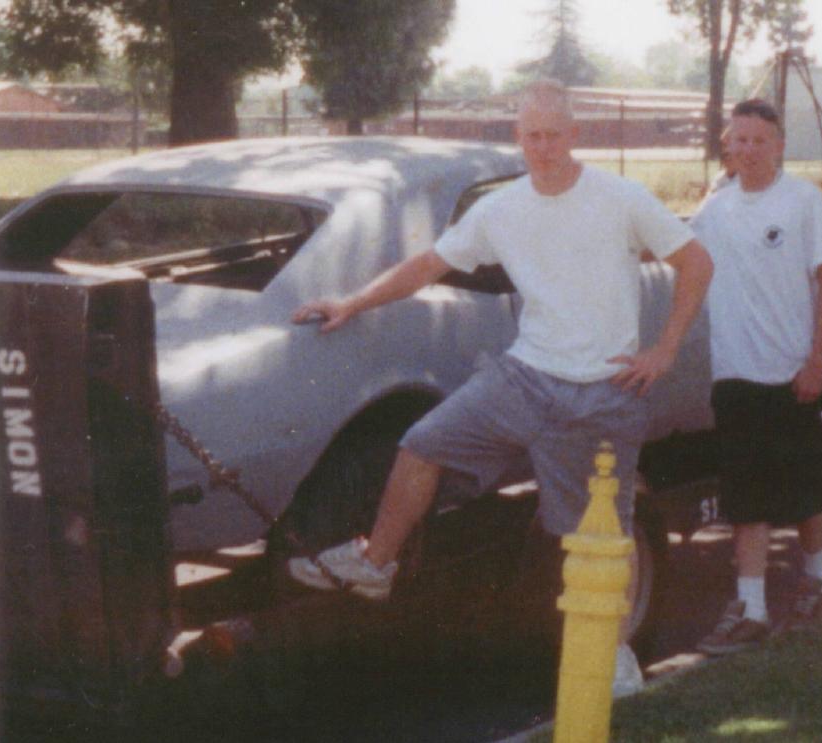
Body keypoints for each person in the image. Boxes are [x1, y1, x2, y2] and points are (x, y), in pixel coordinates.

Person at [286, 79, 714, 697]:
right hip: (524, 377)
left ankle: (614, 649)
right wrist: (352, 302)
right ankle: (376, 564)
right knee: (423, 443)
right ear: (519, 138)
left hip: (603, 393)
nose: (543, 148)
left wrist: (665, 349)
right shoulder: (500, 209)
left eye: (554, 135)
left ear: (575, 135)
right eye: (532, 136)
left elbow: (697, 262)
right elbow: (428, 265)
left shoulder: (621, 198)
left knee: (597, 538)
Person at [690, 98, 822, 655]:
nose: (749, 150)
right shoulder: (714, 210)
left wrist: (817, 362)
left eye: (760, 140)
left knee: (806, 493)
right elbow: (678, 257)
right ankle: (751, 609)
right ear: (727, 145)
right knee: (746, 498)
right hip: (735, 375)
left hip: (794, 374)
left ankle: (816, 585)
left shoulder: (803, 201)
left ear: (778, 146)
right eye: (740, 140)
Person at [707, 124, 737, 194]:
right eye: (724, 145)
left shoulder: (750, 183)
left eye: (731, 144)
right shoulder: (719, 180)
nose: (726, 151)